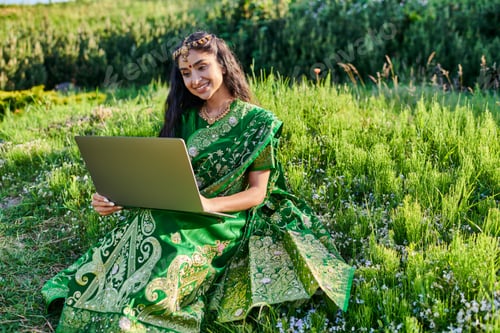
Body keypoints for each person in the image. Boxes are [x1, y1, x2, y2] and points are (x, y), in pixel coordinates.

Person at [42, 31, 354, 332]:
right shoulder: (184, 117)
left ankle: (140, 319)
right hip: (176, 207)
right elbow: (158, 175)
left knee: (172, 248)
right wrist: (117, 199)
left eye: (201, 67)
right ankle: (106, 310)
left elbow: (257, 193)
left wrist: (207, 205)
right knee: (150, 225)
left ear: (222, 64)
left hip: (223, 217)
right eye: (186, 73)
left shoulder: (258, 122)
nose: (194, 79)